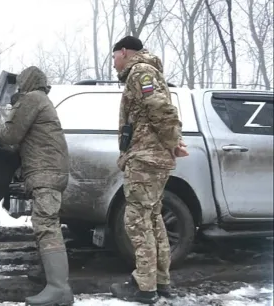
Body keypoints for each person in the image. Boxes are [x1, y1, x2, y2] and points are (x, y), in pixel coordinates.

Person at [109, 36, 189, 304]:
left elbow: (160, 108)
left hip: (146, 158)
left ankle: (144, 287)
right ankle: (160, 280)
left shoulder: (141, 71)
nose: (114, 64)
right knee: (153, 219)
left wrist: (172, 142)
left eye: (114, 57)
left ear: (123, 51)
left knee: (136, 221)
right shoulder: (148, 71)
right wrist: (171, 143)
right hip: (152, 157)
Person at [0, 66, 74, 306]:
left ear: (26, 82)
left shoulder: (32, 98)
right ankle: (51, 278)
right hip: (48, 170)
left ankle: (59, 289)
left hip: (46, 172)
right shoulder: (41, 99)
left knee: (47, 225)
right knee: (44, 223)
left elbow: (10, 134)